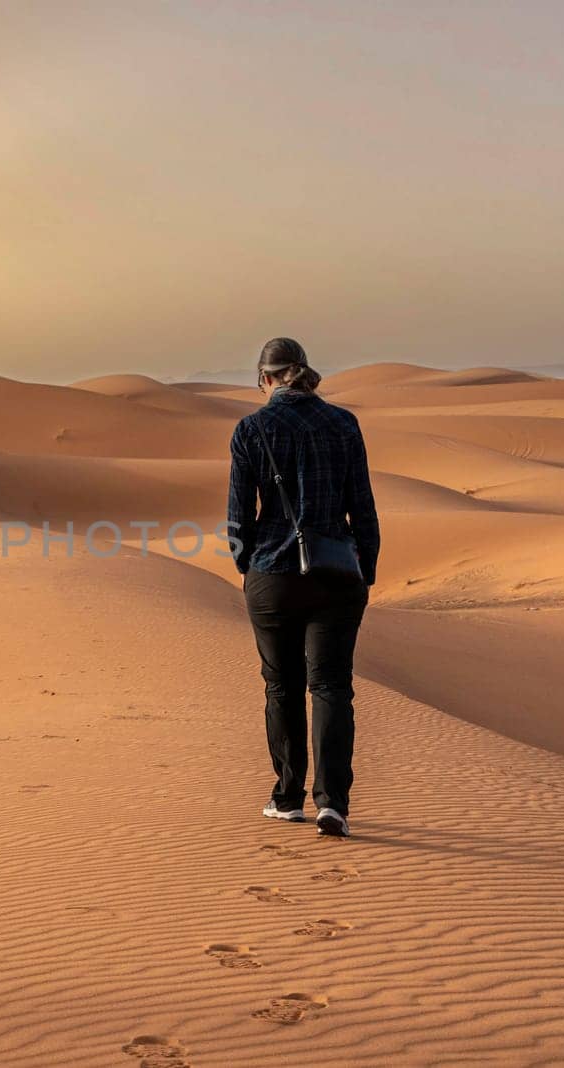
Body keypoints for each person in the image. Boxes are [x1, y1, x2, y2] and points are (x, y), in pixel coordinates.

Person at [227, 337, 380, 838]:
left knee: (282, 685)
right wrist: (366, 567)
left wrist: (248, 567)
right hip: (336, 573)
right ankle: (332, 803)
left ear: (265, 379)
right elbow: (363, 505)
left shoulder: (252, 428)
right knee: (332, 686)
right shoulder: (343, 423)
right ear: (305, 372)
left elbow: (237, 516)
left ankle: (288, 797)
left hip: (272, 575)